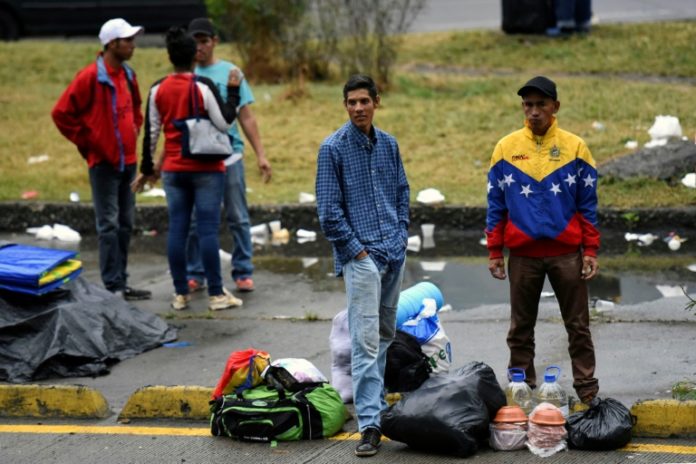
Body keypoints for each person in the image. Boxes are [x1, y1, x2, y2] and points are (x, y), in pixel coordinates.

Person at [485, 76, 600, 404]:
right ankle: (520, 392)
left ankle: (587, 391)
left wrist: (590, 249)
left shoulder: (575, 147)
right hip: (522, 255)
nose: (533, 112)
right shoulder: (506, 148)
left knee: (578, 326)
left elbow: (588, 205)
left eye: (541, 105)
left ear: (555, 107)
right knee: (520, 329)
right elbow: (496, 206)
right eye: (528, 105)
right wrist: (495, 251)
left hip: (567, 253)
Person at [316, 75, 410, 457]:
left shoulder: (388, 144)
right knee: (365, 342)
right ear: (345, 105)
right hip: (362, 259)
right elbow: (328, 212)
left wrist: (401, 235)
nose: (358, 108)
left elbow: (402, 192)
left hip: (393, 251)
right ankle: (369, 424)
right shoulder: (333, 148)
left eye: (364, 101)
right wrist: (357, 253)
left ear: (376, 102)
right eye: (351, 102)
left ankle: (378, 407)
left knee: (385, 333)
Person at [132, 26, 243, 312]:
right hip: (206, 169)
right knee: (207, 230)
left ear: (170, 56)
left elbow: (151, 133)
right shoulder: (203, 86)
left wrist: (147, 169)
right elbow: (225, 122)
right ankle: (217, 295)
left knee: (177, 230)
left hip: (173, 171)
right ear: (194, 54)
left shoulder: (158, 88)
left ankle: (181, 294)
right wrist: (232, 90)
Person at [52, 18, 151, 301]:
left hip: (128, 162)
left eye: (133, 39)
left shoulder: (128, 75)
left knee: (125, 222)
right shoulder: (90, 77)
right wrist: (89, 142)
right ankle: (112, 286)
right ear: (111, 44)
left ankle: (121, 281)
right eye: (127, 40)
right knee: (108, 224)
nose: (133, 45)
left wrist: (134, 128)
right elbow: (61, 114)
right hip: (104, 164)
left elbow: (136, 107)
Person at [184, 17, 272, 294]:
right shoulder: (185, 73)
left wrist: (261, 155)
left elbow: (246, 117)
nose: (199, 47)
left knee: (237, 216)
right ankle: (195, 272)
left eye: (204, 40)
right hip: (198, 158)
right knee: (197, 219)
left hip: (230, 156)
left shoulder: (231, 72)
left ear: (214, 42)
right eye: (194, 41)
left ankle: (243, 271)